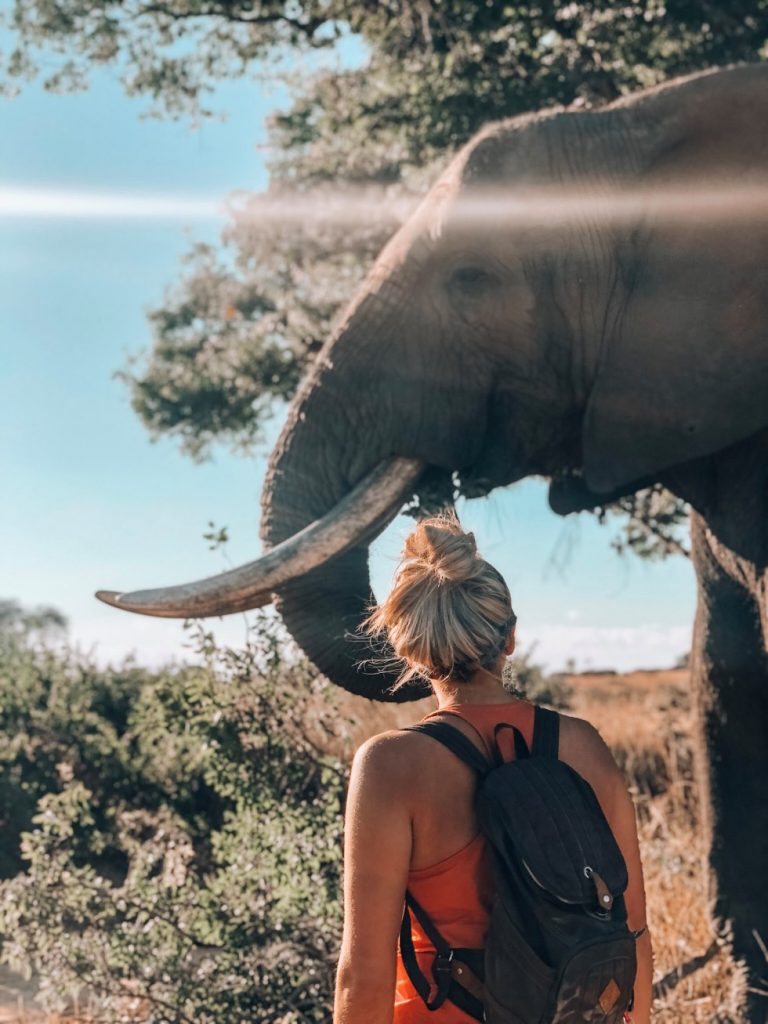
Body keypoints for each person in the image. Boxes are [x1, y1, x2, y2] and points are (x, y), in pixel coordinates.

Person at [333, 513, 653, 1024]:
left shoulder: (391, 766)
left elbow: (363, 977)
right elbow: (631, 933)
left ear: (412, 647)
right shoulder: (583, 747)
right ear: (509, 638)